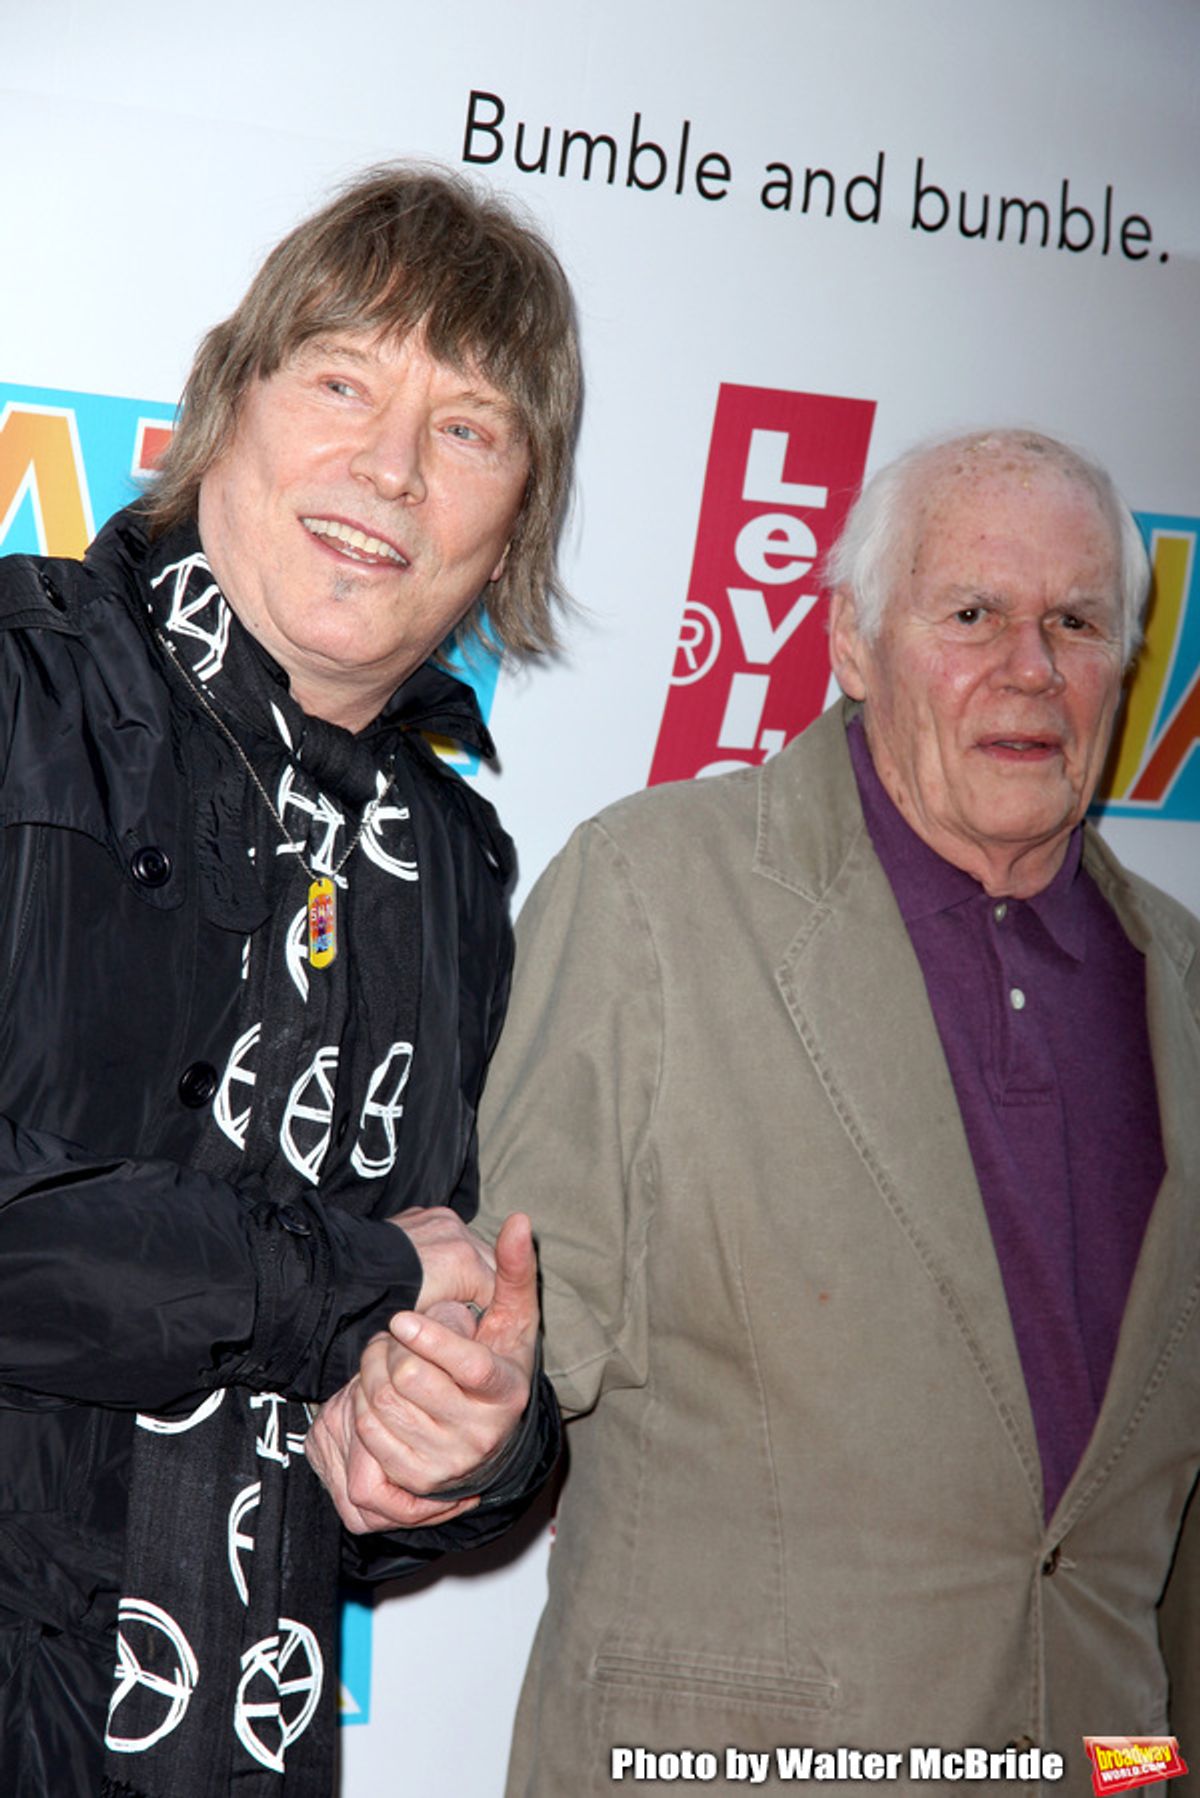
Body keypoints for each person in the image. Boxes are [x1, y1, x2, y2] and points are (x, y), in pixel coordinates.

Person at [470, 430, 1200, 1793]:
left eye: (1077, 621)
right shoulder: (652, 896)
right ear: (853, 642)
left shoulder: (1187, 989)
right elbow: (512, 1346)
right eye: (973, 612)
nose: (1030, 667)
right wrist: (454, 1402)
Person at [0, 165, 579, 1796]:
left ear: (509, 529)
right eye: (341, 380)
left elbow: (428, 1310)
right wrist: (345, 1281)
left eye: (468, 429)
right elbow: (355, 1268)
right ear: (218, 408)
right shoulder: (16, 685)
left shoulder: (453, 871)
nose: (388, 467)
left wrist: (461, 1445)